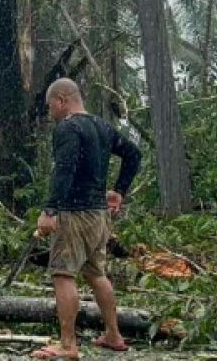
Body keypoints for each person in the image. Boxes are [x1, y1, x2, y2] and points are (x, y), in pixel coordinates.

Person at [31, 78, 141, 360]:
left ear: (62, 99)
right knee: (96, 274)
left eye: (50, 105)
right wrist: (119, 191)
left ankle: (68, 345)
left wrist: (50, 210)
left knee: (63, 274)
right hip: (99, 215)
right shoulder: (101, 127)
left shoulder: (68, 127)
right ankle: (114, 335)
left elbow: (64, 170)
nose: (50, 111)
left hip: (74, 214)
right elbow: (133, 154)